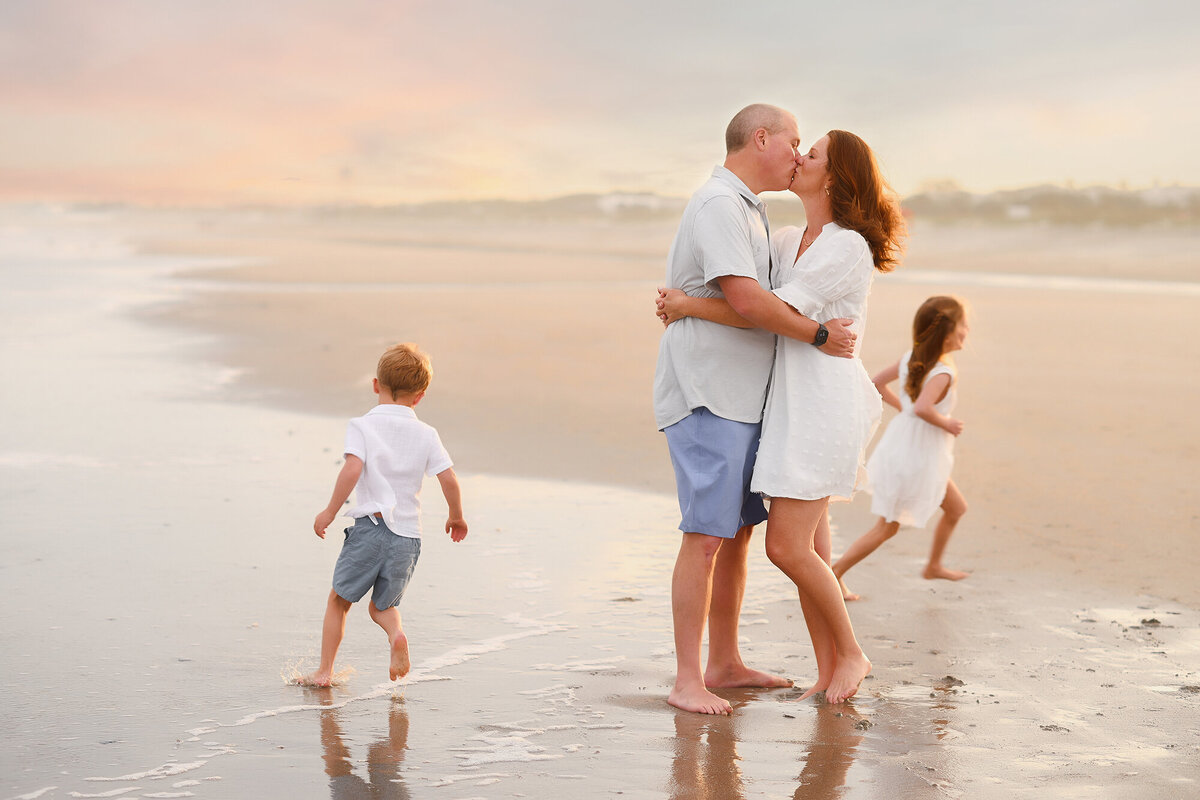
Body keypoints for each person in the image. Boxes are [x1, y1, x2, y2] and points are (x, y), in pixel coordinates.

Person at [658, 130, 906, 704]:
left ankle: (851, 654)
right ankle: (828, 669)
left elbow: (767, 311)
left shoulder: (847, 247)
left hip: (822, 408)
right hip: (787, 406)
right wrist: (695, 298)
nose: (800, 158)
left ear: (836, 178)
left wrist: (687, 304)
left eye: (811, 153)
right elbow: (754, 295)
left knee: (787, 549)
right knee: (809, 551)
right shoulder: (790, 237)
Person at [299, 342, 468, 688]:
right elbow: (448, 477)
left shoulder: (362, 426)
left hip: (371, 529)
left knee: (339, 600)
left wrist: (330, 511)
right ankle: (396, 636)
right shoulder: (427, 433)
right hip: (408, 537)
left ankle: (324, 672)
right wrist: (456, 516)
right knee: (382, 607)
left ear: (376, 384)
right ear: (420, 396)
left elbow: (351, 469)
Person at [833, 296, 970, 600]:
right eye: (963, 324)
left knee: (956, 508)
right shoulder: (944, 372)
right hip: (917, 457)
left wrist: (904, 408)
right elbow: (923, 407)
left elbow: (877, 382)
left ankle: (933, 564)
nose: (967, 329)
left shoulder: (913, 356)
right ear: (947, 333)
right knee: (887, 526)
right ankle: (835, 572)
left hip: (910, 449)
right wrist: (945, 422)